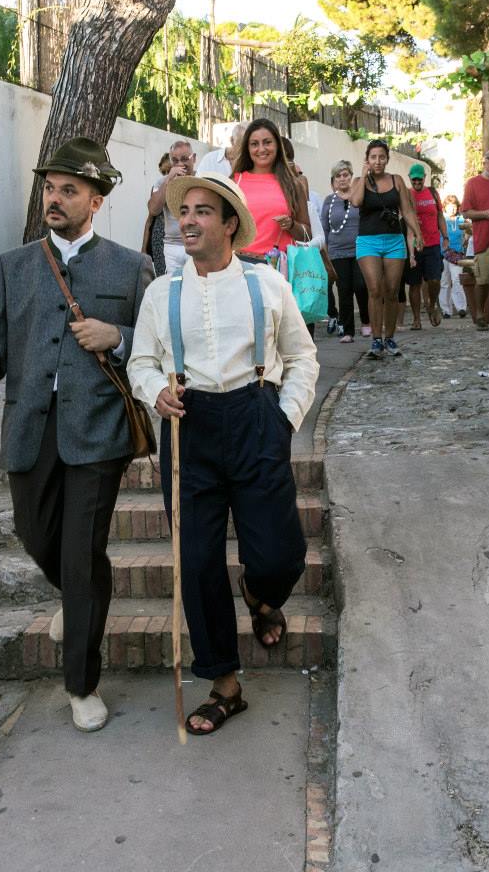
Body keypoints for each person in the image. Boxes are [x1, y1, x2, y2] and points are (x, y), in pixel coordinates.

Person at [0, 138, 153, 732]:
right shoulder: (12, 267)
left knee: (83, 554)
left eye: (68, 191)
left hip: (99, 431)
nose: (54, 199)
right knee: (39, 539)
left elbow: (156, 344)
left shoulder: (130, 267)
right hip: (30, 429)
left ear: (96, 201)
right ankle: (78, 600)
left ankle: (81, 684)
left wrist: (120, 335)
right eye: (49, 189)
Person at [127, 172, 319, 735]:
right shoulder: (162, 293)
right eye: (182, 210)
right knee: (199, 561)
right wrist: (154, 392)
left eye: (202, 211)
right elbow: (140, 362)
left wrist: (283, 418)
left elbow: (302, 357)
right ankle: (224, 685)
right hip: (190, 428)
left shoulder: (266, 286)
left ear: (230, 223)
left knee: (280, 553)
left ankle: (262, 594)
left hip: (257, 417)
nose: (186, 219)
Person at [350, 139, 422, 359]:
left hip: (394, 241)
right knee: (374, 289)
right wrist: (364, 176)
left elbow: (407, 211)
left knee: (392, 291)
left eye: (382, 157)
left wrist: (418, 233)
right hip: (368, 241)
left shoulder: (397, 180)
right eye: (373, 157)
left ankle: (389, 338)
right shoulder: (358, 181)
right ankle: (375, 340)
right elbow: (355, 202)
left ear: (387, 159)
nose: (378, 161)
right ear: (367, 159)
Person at [231, 117, 311, 262]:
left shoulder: (293, 184)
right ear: (247, 148)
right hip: (240, 267)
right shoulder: (235, 182)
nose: (261, 149)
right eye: (254, 144)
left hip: (279, 269)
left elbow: (307, 235)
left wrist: (291, 225)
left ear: (278, 145)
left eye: (267, 142)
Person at [321, 160, 371, 343]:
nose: (342, 179)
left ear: (350, 177)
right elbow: (324, 229)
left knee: (361, 285)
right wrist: (325, 255)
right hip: (337, 252)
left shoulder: (358, 196)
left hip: (360, 250)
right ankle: (348, 330)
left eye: (345, 175)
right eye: (338, 176)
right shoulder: (329, 201)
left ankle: (366, 320)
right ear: (333, 180)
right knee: (344, 290)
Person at [407, 163, 448, 328]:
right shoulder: (407, 194)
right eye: (414, 179)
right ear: (410, 178)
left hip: (432, 244)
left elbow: (440, 216)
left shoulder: (432, 193)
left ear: (424, 178)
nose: (417, 182)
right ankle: (416, 319)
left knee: (435, 280)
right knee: (415, 283)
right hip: (415, 245)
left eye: (419, 179)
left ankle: (431, 304)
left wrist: (445, 236)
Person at [148, 139, 196, 274]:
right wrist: (169, 180)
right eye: (175, 161)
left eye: (185, 159)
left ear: (194, 158)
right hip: (171, 246)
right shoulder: (162, 182)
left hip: (196, 243)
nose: (180, 164)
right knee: (172, 288)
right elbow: (153, 209)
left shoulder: (201, 180)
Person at [461, 151, 489, 331]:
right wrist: (485, 214)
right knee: (483, 279)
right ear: (485, 161)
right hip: (484, 239)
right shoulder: (473, 183)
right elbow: (465, 212)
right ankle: (479, 313)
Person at [439, 194, 469, 318]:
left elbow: (468, 233)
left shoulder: (461, 220)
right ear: (445, 207)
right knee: (444, 282)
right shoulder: (441, 220)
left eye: (455, 206)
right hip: (443, 254)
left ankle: (461, 307)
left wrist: (466, 237)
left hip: (457, 255)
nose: (453, 209)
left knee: (457, 280)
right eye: (450, 206)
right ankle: (446, 310)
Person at [141, 152, 171, 275]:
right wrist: (143, 250)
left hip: (180, 241)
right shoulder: (158, 187)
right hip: (160, 240)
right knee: (163, 278)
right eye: (164, 172)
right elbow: (149, 220)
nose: (166, 175)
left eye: (169, 171)